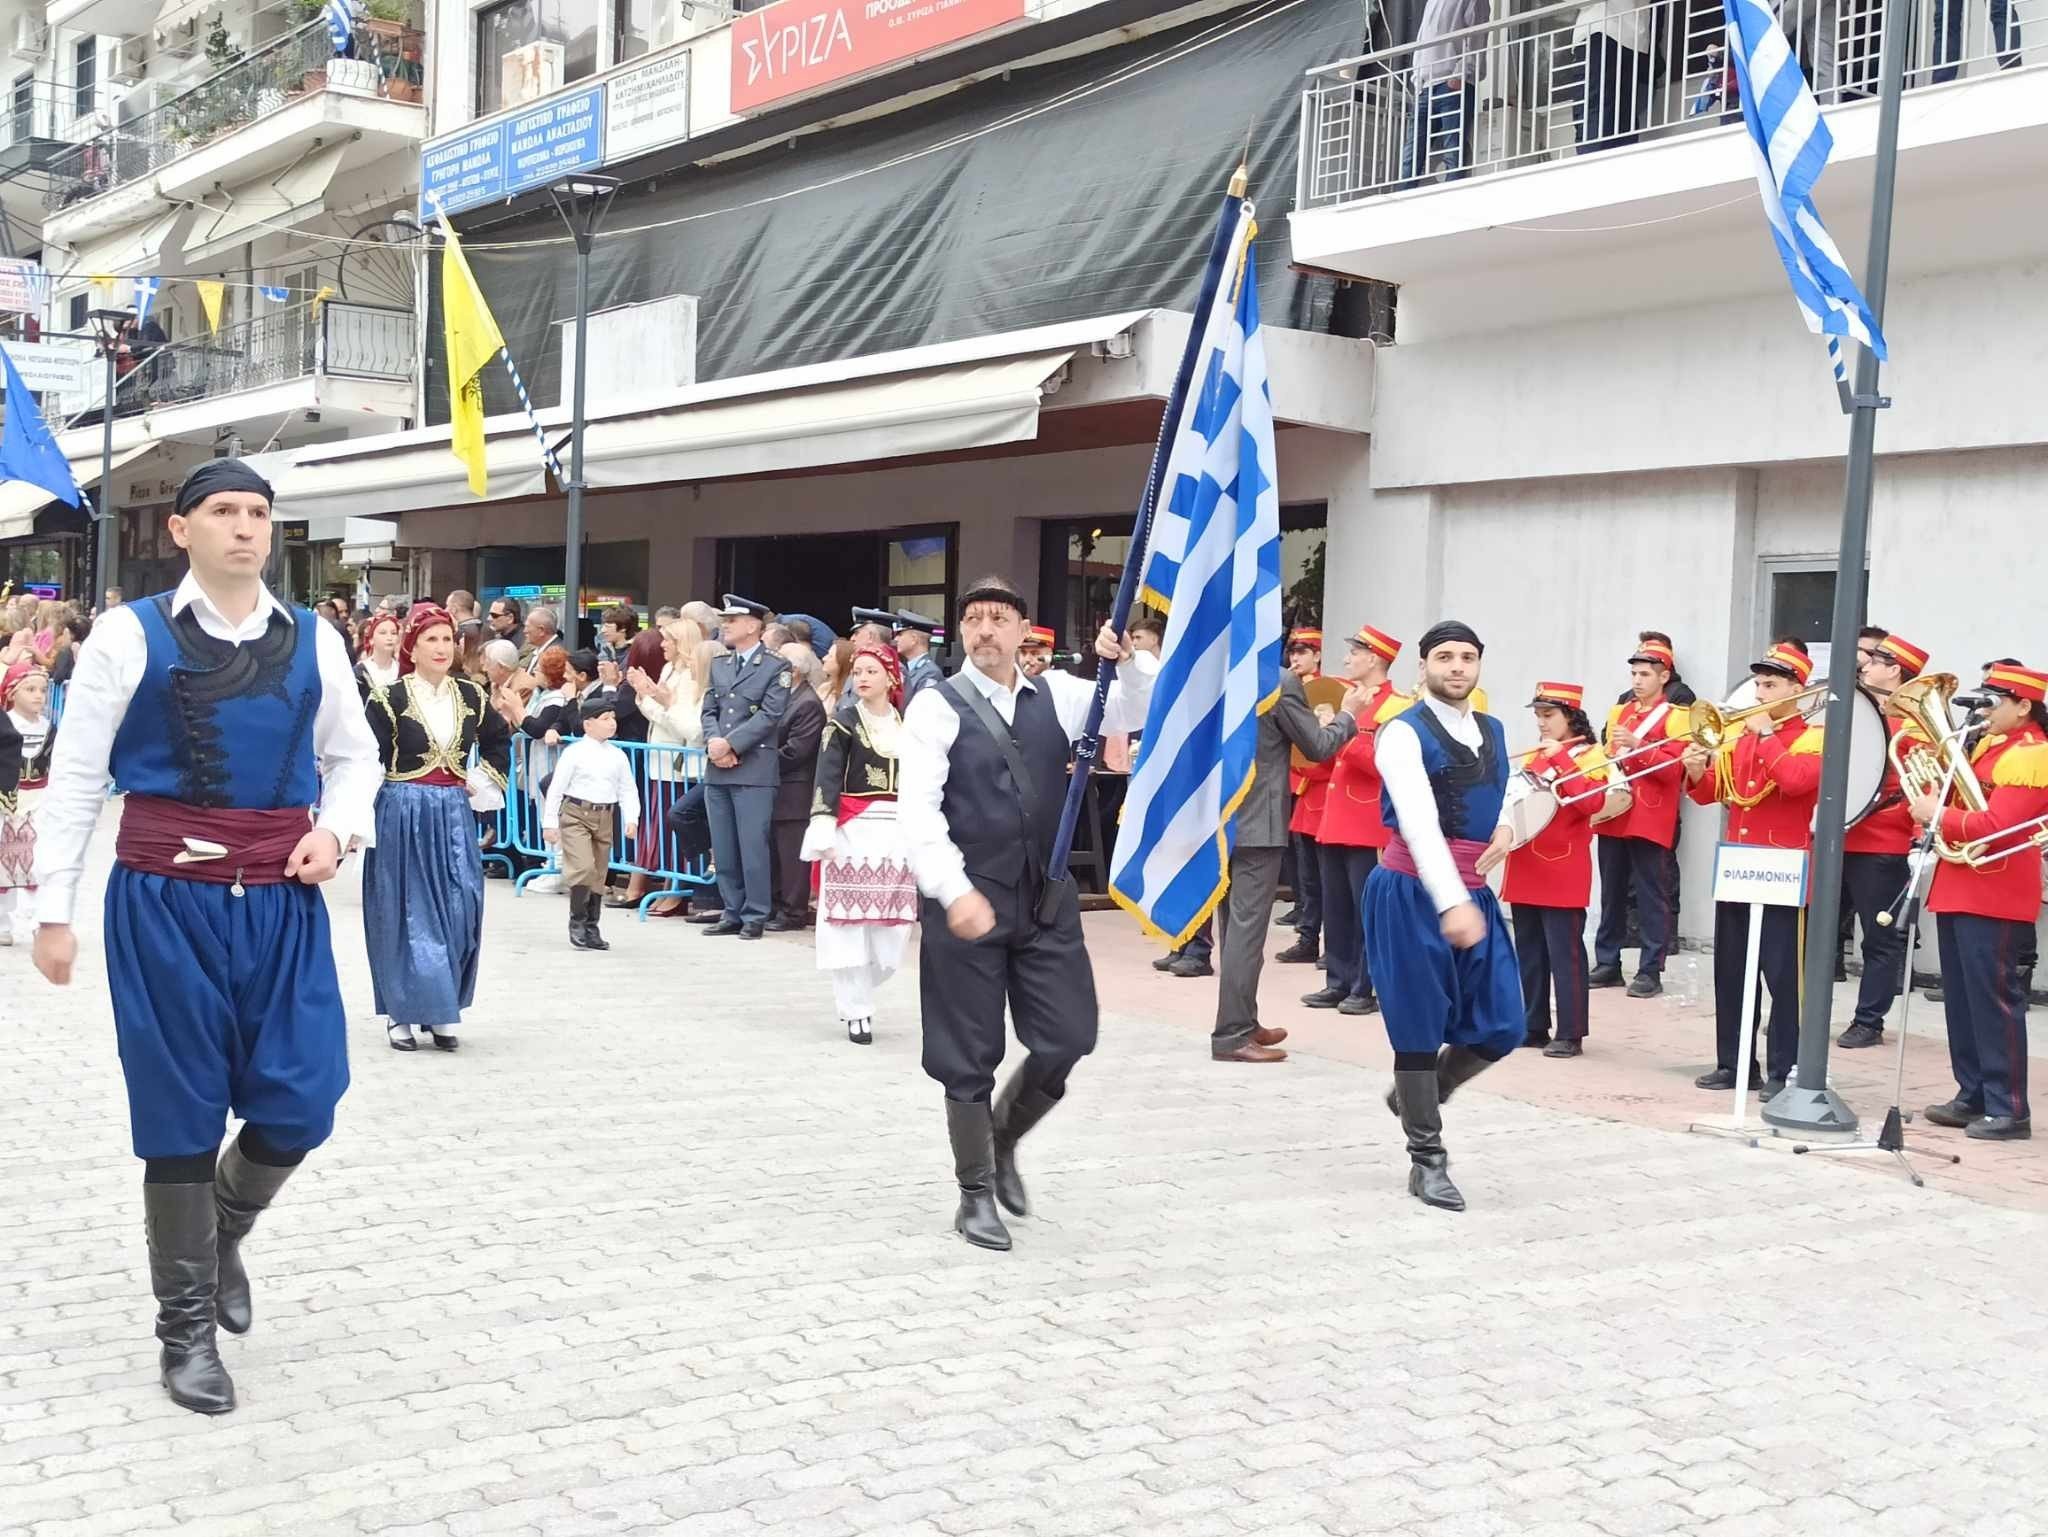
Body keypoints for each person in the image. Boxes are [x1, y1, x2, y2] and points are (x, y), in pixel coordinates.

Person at [29, 458, 382, 1415]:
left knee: (305, 1096)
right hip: (163, 899)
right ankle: (184, 1331)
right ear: (181, 529)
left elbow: (356, 758)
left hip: (279, 897)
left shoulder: (315, 639)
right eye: (222, 510)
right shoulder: (124, 634)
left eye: (258, 512)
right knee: (179, 1108)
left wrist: (336, 829)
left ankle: (225, 1224)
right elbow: (76, 777)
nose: (244, 527)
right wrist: (50, 911)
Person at [900, 576, 1151, 1251]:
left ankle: (1005, 1138)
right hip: (968, 896)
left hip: (1044, 898)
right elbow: (917, 811)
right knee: (967, 1052)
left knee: (1070, 1034)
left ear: (1022, 629)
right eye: (973, 618)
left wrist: (1122, 658)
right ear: (961, 632)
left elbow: (1132, 708)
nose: (985, 629)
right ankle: (974, 1193)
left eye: (999, 618)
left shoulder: (1063, 694)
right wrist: (954, 892)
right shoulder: (936, 706)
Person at [1369, 621, 1520, 1212]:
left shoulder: (1493, 727)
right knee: (1418, 1021)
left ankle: (1425, 1092)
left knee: (1505, 1022)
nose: (1457, 667)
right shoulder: (1400, 733)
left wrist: (1509, 825)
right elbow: (1417, 822)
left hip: (1474, 887)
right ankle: (1427, 1159)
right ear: (1424, 666)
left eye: (1467, 657)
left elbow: (1508, 785)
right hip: (1412, 889)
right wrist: (1450, 900)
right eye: (1445, 657)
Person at [1212, 630, 1373, 1062]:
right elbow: (1317, 747)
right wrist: (1348, 714)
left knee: (1232, 928)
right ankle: (1231, 1034)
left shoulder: (1214, 674)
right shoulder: (1276, 681)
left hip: (1219, 815)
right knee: (1246, 932)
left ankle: (1242, 1017)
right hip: (1257, 821)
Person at [361, 605, 512, 1053]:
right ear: (413, 645)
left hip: (451, 812)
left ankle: (442, 1005)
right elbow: (365, 758)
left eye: (448, 639)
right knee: (406, 911)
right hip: (402, 811)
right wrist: (352, 821)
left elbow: (499, 741)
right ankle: (400, 1013)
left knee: (460, 905)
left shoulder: (470, 696)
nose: (442, 648)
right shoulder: (389, 698)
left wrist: (479, 781)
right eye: (432, 639)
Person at [1911, 662, 2046, 1141]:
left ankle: (2009, 1107)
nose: (1984, 710)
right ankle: (1972, 1094)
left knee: (1995, 1002)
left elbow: (1998, 828)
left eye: (1995, 702)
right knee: (1962, 1001)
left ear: (2024, 707)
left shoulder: (2034, 754)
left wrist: (1938, 813)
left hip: (1997, 887)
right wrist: (1929, 807)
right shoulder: (1986, 746)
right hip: (1959, 882)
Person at [1683, 641, 1823, 1101]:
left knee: (1783, 977)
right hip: (1740, 868)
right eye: (1759, 684)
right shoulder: (1741, 736)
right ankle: (1736, 1063)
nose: (1760, 694)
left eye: (1771, 685)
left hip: (1784, 870)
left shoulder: (1813, 736)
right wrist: (1696, 770)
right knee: (1733, 971)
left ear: (1797, 691)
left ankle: (1787, 1068)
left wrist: (1766, 737)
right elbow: (1716, 794)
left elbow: (1798, 782)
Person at [804, 643, 917, 1044]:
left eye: (872, 671)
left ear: (892, 677)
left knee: (894, 927)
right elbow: (827, 777)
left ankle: (861, 990)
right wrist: (823, 825)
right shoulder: (843, 723)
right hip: (852, 829)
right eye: (859, 671)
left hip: (898, 832)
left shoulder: (911, 724)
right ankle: (856, 1010)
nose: (863, 678)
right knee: (848, 923)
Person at [1502, 683, 1610, 1058]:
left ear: (1571, 717)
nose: (1541, 723)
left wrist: (1561, 759)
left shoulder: (1591, 755)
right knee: (1529, 950)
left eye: (1549, 715)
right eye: (1538, 716)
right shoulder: (1536, 755)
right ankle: (1533, 1023)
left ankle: (1570, 1030)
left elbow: (1592, 801)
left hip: (1562, 864)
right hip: (1527, 860)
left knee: (1565, 953)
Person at [1309, 625, 1408, 1016]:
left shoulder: (1396, 706)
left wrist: (1342, 733)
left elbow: (1382, 763)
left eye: (1354, 653)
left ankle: (1365, 986)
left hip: (1368, 823)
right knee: (1336, 907)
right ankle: (1338, 980)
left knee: (1367, 908)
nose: (1348, 659)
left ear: (1373, 658)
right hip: (1336, 820)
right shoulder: (1348, 699)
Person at [1591, 638, 1693, 997]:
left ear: (1664, 676)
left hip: (1650, 814)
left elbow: (1673, 770)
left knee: (1652, 894)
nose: (1637, 680)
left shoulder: (1678, 716)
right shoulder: (1619, 711)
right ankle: (1608, 962)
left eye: (1645, 674)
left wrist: (1637, 747)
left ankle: (1651, 968)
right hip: (1614, 813)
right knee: (1611, 891)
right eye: (1634, 673)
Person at [1836, 632, 1924, 1049]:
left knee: (1879, 939)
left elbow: (1919, 788)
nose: (1866, 665)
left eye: (1876, 661)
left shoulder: (1917, 728)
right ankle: (1804, 1011)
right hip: (1839, 837)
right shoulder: (1859, 712)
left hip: (1882, 842)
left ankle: (1869, 1020)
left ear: (1894, 670)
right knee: (1816, 933)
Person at [700, 595, 793, 940]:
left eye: (732, 620)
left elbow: (771, 715)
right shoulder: (721, 664)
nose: (725, 625)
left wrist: (732, 744)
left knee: (752, 846)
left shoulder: (775, 666)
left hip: (753, 767)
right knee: (723, 846)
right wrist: (714, 743)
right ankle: (732, 910)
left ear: (753, 625)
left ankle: (755, 913)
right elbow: (708, 708)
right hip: (719, 765)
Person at [542, 690, 639, 951]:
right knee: (583, 867)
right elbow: (556, 788)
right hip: (576, 814)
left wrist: (632, 817)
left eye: (612, 718)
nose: (611, 723)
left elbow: (627, 788)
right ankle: (577, 920)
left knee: (598, 872)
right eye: (604, 718)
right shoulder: (575, 753)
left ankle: (592, 926)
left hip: (604, 815)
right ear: (588, 724)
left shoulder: (617, 755)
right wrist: (549, 822)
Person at [1275, 628, 1328, 967]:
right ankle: (1306, 929)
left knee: (1325, 876)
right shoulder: (1290, 685)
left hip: (1320, 789)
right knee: (1302, 867)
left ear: (1318, 655)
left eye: (1304, 651)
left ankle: (1326, 941)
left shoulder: (1329, 691)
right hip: (1298, 785)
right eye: (1293, 651)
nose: (1296, 657)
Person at [770, 644, 828, 931]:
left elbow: (797, 751)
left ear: (793, 670)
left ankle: (793, 911)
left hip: (795, 790)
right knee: (777, 853)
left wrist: (760, 760)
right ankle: (777, 905)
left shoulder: (807, 703)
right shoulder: (783, 697)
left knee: (792, 856)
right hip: (777, 787)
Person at [1, 659, 56, 946]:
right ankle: (2, 922)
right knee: (5, 861)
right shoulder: (5, 724)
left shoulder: (50, 728)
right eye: (30, 689)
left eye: (43, 690)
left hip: (40, 798)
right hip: (7, 800)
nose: (38, 695)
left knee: (38, 860)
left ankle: (39, 920)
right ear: (11, 693)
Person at [893, 609, 945, 699]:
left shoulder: (930, 673)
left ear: (914, 639)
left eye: (900, 634)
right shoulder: (912, 669)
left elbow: (924, 708)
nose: (896, 639)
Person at [353, 611, 402, 698]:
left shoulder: (402, 670)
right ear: (371, 639)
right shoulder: (359, 672)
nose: (389, 638)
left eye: (393, 633)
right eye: (383, 633)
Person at [522, 606, 565, 672]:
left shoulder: (555, 654)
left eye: (527, 627)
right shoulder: (540, 650)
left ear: (541, 630)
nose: (524, 631)